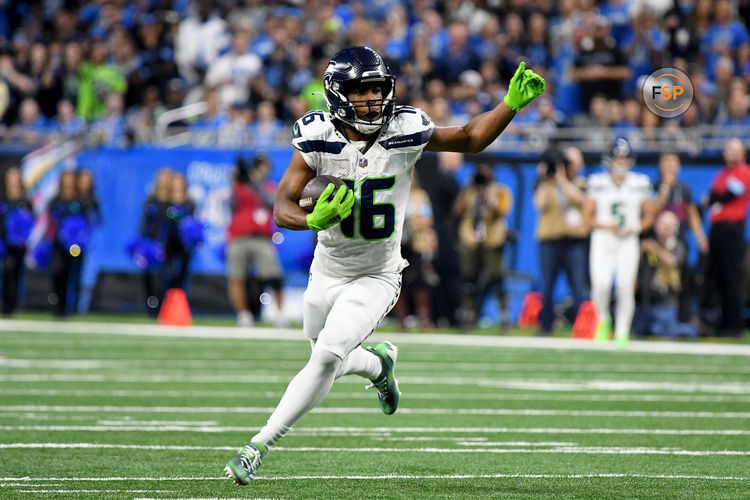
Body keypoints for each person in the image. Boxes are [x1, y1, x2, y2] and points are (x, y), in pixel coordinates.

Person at [223, 46, 544, 485]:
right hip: (327, 269)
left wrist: (508, 107)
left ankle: (258, 445)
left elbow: (469, 138)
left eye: (378, 89)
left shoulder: (404, 127)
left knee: (326, 356)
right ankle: (378, 366)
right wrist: (309, 219)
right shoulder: (317, 133)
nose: (374, 99)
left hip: (378, 272)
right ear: (338, 95)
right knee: (326, 356)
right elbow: (282, 207)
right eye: (362, 91)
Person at [582, 138, 656, 347]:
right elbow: (587, 216)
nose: (621, 162)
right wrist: (606, 226)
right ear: (610, 159)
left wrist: (638, 227)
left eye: (624, 157)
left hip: (628, 239)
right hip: (603, 238)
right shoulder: (597, 181)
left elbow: (649, 214)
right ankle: (603, 321)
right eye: (617, 157)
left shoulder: (639, 182)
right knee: (601, 285)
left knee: (624, 286)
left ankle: (622, 331)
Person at [533, 146, 588, 334]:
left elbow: (581, 200)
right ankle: (545, 324)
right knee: (547, 285)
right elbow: (539, 204)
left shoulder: (580, 182)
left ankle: (579, 325)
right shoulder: (546, 184)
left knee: (578, 286)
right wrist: (545, 178)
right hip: (549, 240)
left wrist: (562, 179)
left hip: (574, 241)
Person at [649, 152, 708, 321]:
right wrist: (664, 188)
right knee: (654, 279)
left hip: (679, 241)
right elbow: (651, 211)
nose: (669, 166)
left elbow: (692, 213)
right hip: (657, 242)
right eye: (666, 162)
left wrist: (700, 237)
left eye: (673, 162)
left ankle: (682, 319)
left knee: (683, 279)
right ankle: (652, 318)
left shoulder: (684, 189)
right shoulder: (653, 187)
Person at [226, 155, 285, 327]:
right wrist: (238, 180)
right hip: (239, 236)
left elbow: (271, 202)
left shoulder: (268, 187)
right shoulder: (240, 185)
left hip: (261, 238)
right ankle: (243, 315)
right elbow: (231, 205)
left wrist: (256, 183)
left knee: (274, 275)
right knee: (237, 277)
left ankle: (280, 314)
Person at [454, 163, 514, 328]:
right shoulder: (469, 191)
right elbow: (458, 210)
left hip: (492, 238)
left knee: (497, 278)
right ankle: (469, 315)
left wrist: (487, 195)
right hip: (470, 238)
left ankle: (504, 315)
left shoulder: (500, 190)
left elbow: (502, 211)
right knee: (469, 279)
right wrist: (467, 188)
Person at [704, 138, 750, 337]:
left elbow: (725, 196)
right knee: (719, 277)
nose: (730, 153)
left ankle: (734, 324)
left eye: (734, 150)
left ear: (742, 153)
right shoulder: (723, 173)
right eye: (728, 149)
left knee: (731, 276)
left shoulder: (744, 171)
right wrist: (714, 197)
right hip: (717, 229)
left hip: (731, 229)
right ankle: (722, 322)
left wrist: (715, 197)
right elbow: (711, 196)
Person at [138, 168, 173, 314]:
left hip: (168, 245)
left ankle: (165, 307)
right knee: (148, 276)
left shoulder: (173, 202)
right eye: (162, 178)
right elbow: (145, 223)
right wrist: (142, 242)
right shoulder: (151, 200)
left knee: (166, 276)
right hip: (151, 244)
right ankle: (151, 307)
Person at [0, 167, 33, 315]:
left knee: (17, 274)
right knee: (5, 274)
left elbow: (31, 221)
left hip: (19, 244)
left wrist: (23, 238)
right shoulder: (2, 198)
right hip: (3, 243)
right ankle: (4, 304)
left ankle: (14, 305)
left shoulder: (25, 200)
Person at [164, 172, 196, 290]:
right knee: (168, 274)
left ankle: (180, 302)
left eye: (180, 183)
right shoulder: (167, 202)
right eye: (176, 183)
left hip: (184, 244)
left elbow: (192, 222)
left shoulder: (189, 203)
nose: (178, 185)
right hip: (169, 241)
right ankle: (166, 302)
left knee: (183, 275)